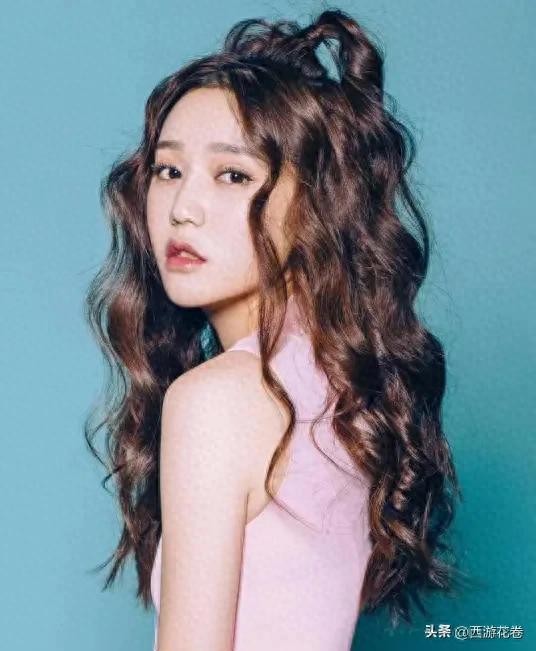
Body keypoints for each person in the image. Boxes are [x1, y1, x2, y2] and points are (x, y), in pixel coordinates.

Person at [84, 8, 466, 651]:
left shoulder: (218, 399)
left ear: (315, 202)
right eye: (168, 170)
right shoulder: (347, 389)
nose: (183, 209)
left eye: (233, 175)